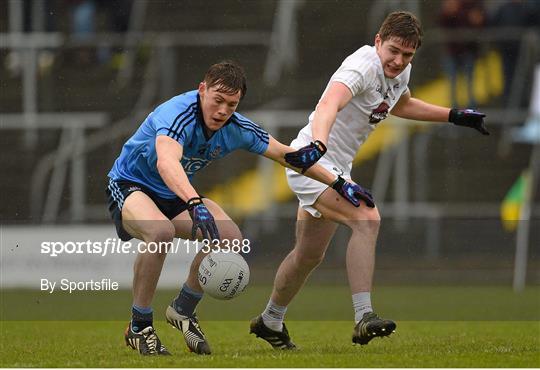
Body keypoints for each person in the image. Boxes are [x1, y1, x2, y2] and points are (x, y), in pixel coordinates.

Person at [250, 11, 489, 349]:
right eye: (393, 50)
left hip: (336, 166)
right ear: (378, 41)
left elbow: (400, 104)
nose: (399, 60)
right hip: (313, 160)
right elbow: (328, 104)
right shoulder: (362, 66)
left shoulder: (400, 70)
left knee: (307, 256)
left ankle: (270, 320)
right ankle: (364, 316)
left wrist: (453, 115)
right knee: (367, 218)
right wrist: (318, 145)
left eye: (407, 54)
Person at [106, 61, 366, 356]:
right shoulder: (176, 114)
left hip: (174, 192)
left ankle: (182, 310)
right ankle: (139, 326)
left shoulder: (236, 127)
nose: (222, 111)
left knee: (229, 237)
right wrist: (193, 202)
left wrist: (338, 182)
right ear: (202, 89)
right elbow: (167, 163)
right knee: (161, 232)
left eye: (231, 104)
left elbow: (286, 155)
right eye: (217, 100)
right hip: (130, 185)